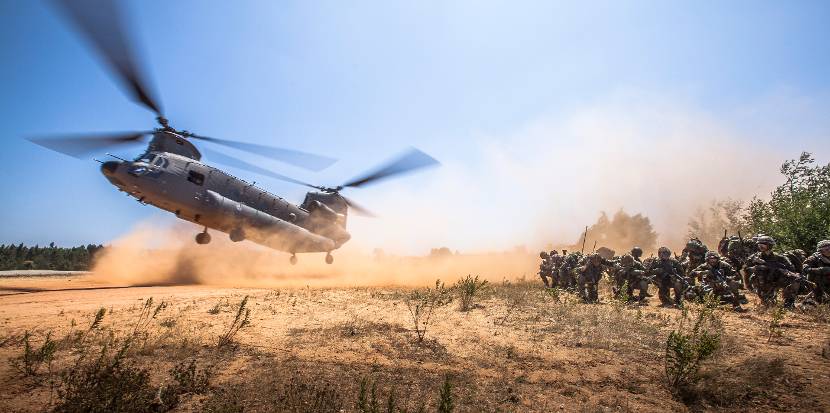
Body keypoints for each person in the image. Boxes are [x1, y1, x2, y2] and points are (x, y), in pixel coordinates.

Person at [745, 236, 803, 308]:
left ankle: (789, 303)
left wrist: (787, 273)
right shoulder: (754, 257)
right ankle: (767, 297)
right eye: (759, 244)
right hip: (762, 283)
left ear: (770, 245)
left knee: (795, 279)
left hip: (777, 280)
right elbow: (746, 270)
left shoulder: (779, 257)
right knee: (769, 305)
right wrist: (748, 283)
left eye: (763, 243)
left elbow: (790, 268)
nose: (760, 246)